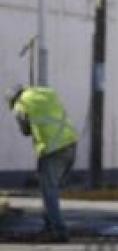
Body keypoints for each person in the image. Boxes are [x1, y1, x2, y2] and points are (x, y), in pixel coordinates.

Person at [6, 85, 78, 242]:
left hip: (53, 150)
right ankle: (50, 226)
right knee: (51, 190)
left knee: (49, 192)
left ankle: (59, 231)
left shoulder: (21, 104)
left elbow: (25, 130)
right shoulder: (45, 93)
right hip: (71, 144)